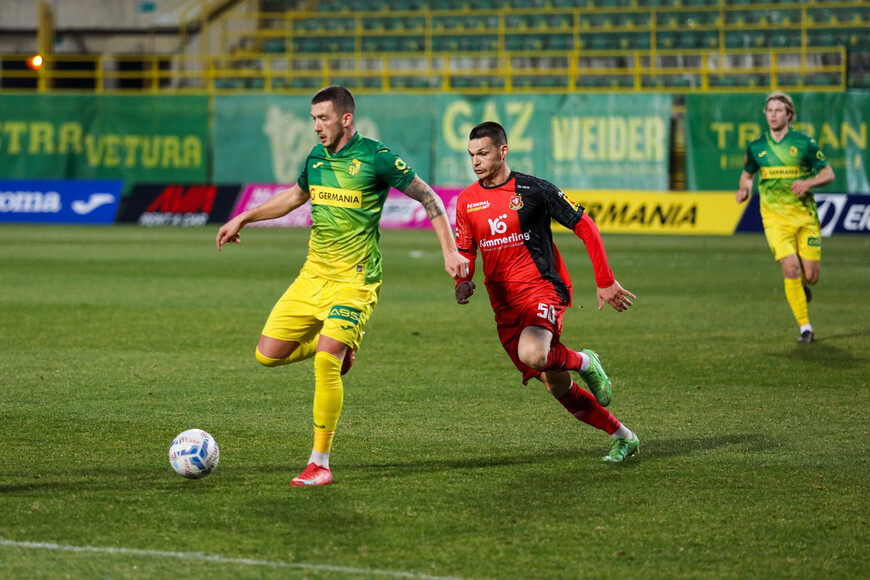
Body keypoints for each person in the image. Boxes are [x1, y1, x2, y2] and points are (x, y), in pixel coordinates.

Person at [217, 85, 468, 486]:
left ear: (345, 119)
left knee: (325, 363)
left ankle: (320, 463)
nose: (316, 126)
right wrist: (244, 217)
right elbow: (294, 197)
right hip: (312, 276)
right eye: (313, 118)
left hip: (356, 281)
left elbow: (429, 197)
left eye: (324, 118)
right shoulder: (316, 158)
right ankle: (337, 346)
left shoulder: (376, 157)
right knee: (267, 355)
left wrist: (450, 252)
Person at [453, 121, 640, 463]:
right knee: (557, 386)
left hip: (542, 289)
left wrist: (605, 280)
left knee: (535, 354)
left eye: (483, 153)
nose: (476, 161)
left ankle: (585, 360)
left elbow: (585, 226)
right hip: (504, 306)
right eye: (471, 155)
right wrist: (462, 282)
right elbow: (466, 252)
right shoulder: (467, 202)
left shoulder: (533, 190)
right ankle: (624, 436)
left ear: (502, 151)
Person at [736, 91, 835, 343]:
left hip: (805, 218)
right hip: (774, 219)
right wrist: (744, 189)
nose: (773, 115)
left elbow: (828, 174)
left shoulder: (804, 144)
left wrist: (808, 183)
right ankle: (805, 328)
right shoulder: (757, 147)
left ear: (789, 114)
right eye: (769, 111)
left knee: (811, 276)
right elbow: (748, 175)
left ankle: (802, 288)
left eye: (778, 110)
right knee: (790, 268)